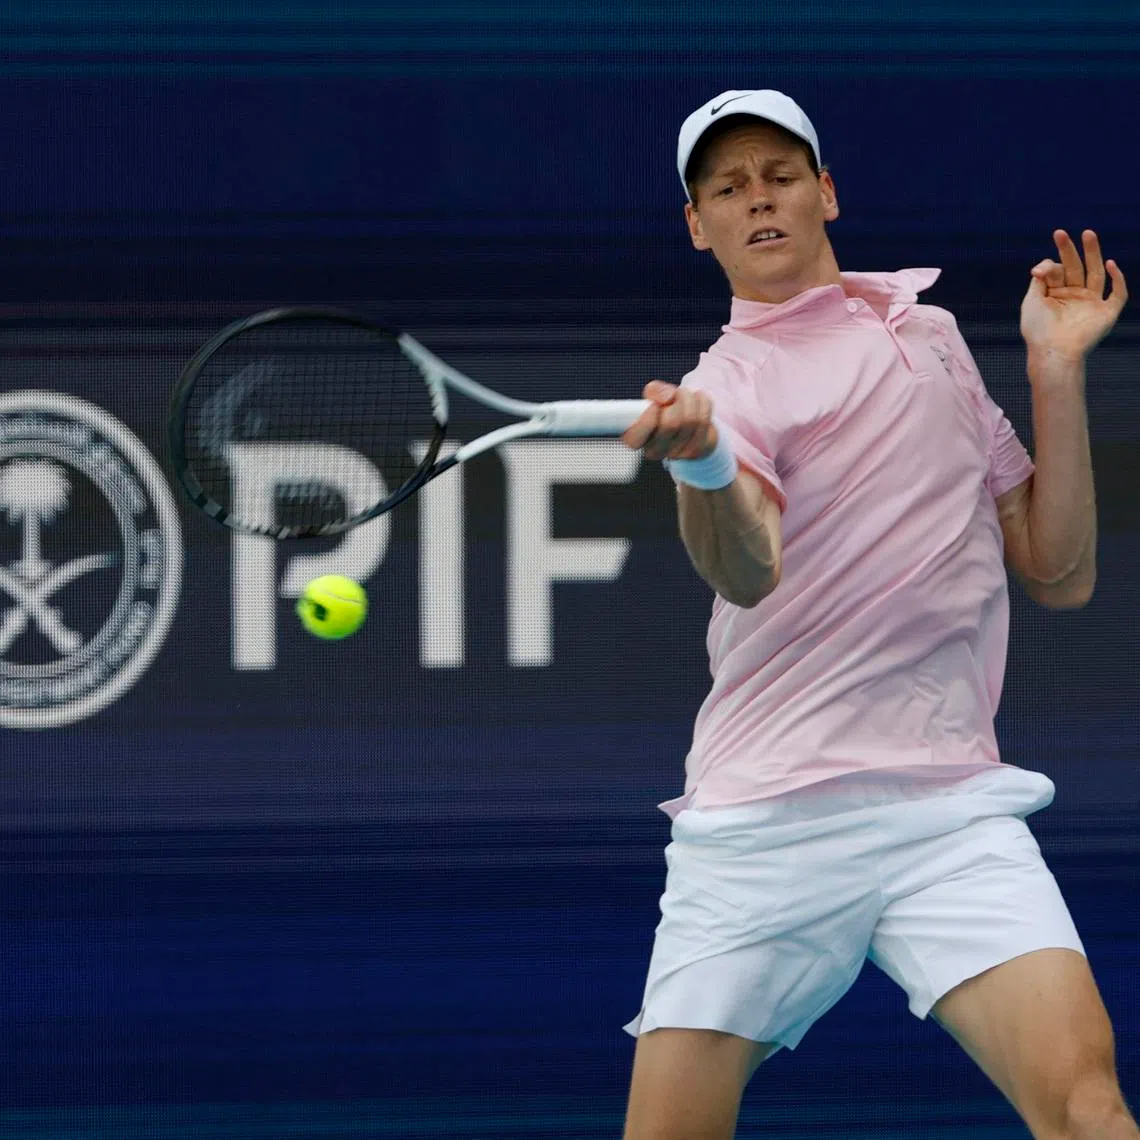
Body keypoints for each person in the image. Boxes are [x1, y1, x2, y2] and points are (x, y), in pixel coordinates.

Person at [618, 89, 1134, 1140]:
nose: (758, 199)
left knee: (1088, 1108)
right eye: (727, 187)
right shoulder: (737, 379)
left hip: (946, 807)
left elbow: (1057, 566)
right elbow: (746, 568)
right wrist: (707, 467)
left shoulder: (930, 334)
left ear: (826, 193)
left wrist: (1054, 368)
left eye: (779, 175)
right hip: (769, 820)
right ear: (698, 224)